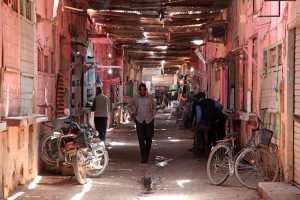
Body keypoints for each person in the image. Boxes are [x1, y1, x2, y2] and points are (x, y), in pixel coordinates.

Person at [130, 83, 156, 163]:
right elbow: (129, 106)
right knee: (141, 140)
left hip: (149, 120)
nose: (142, 92)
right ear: (139, 90)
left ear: (145, 90)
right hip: (139, 121)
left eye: (143, 90)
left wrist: (153, 116)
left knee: (149, 139)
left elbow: (154, 107)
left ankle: (146, 154)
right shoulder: (135, 98)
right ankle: (144, 158)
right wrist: (132, 114)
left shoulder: (150, 98)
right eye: (140, 90)